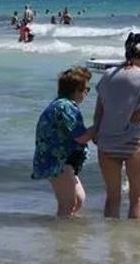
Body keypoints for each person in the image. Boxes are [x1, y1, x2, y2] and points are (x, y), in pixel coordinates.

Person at [91, 33, 140, 219]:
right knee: (138, 199)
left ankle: (113, 245)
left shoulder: (108, 74)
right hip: (135, 142)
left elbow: (99, 108)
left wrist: (96, 131)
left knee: (112, 198)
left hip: (107, 142)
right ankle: (136, 247)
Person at [31, 67, 97, 217]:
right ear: (76, 90)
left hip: (57, 159)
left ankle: (66, 233)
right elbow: (81, 137)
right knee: (68, 203)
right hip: (57, 161)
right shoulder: (65, 107)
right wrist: (99, 125)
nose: (87, 93)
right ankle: (61, 236)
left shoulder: (59, 104)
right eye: (86, 89)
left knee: (78, 200)